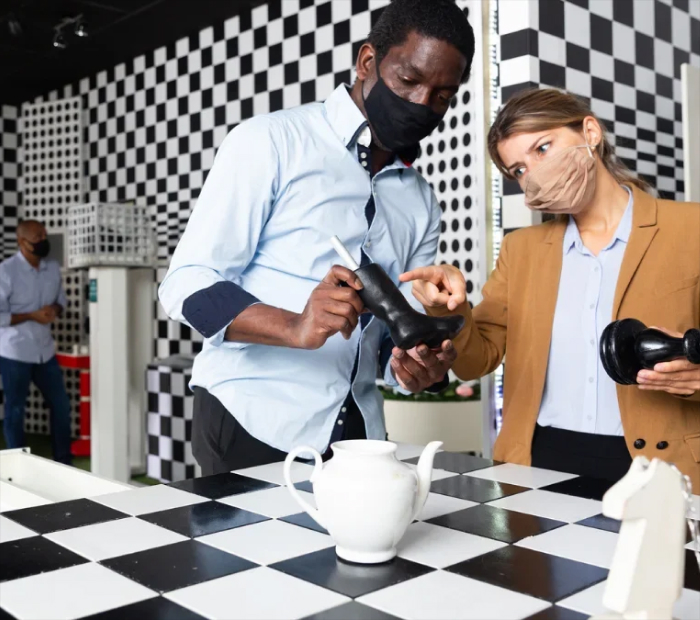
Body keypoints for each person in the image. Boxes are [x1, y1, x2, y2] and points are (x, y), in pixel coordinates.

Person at [159, 0, 475, 475]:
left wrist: (415, 367)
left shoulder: (422, 202)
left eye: (442, 96)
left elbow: (390, 336)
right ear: (368, 62)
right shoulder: (269, 142)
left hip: (359, 437)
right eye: (409, 81)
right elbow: (186, 283)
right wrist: (294, 326)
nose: (421, 104)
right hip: (253, 422)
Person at [398, 88, 700, 487]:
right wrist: (449, 308)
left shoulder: (690, 229)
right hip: (539, 461)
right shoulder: (520, 250)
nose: (534, 173)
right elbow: (476, 360)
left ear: (590, 132)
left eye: (543, 148)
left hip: (662, 465)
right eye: (519, 170)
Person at [0, 220, 72, 464]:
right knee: (15, 410)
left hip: (45, 350)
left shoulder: (51, 267)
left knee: (61, 406)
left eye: (44, 235)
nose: (43, 240)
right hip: (15, 351)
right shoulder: (6, 271)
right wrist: (32, 315)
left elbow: (62, 300)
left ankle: (63, 461)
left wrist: (55, 309)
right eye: (37, 237)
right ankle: (17, 465)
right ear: (21, 242)